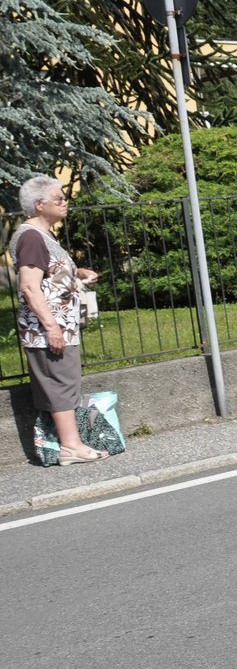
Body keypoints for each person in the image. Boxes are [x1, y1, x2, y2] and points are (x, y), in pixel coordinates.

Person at [10, 175, 109, 464]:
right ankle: (71, 446)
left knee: (64, 382)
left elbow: (47, 273)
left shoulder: (42, 236)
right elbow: (29, 286)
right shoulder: (31, 236)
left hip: (57, 326)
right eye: (59, 199)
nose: (65, 202)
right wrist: (52, 327)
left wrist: (77, 273)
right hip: (46, 328)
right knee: (60, 384)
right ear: (39, 205)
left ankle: (71, 444)